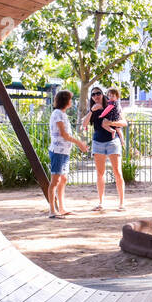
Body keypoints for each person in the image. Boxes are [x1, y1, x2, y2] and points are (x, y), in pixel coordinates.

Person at [81, 86, 127, 211]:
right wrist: (91, 111)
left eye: (98, 93)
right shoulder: (93, 109)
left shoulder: (112, 106)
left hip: (113, 142)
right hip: (98, 143)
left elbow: (124, 123)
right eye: (93, 94)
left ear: (103, 94)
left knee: (117, 172)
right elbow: (84, 124)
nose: (96, 96)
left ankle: (122, 203)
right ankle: (101, 202)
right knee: (100, 174)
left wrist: (111, 123)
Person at [47, 90, 87, 218]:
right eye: (70, 99)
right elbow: (64, 135)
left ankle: (62, 208)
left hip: (64, 151)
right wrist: (79, 143)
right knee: (55, 181)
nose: (72, 101)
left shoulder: (62, 114)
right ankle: (52, 211)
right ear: (65, 101)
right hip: (58, 151)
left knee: (63, 179)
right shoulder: (57, 113)